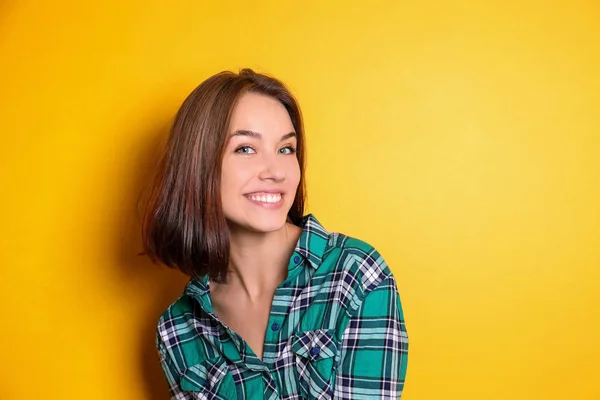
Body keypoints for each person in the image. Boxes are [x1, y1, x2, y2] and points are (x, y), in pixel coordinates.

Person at [141, 68, 408, 399]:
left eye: (286, 149)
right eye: (246, 149)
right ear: (199, 164)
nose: (276, 172)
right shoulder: (178, 331)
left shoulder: (356, 275)